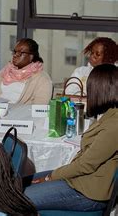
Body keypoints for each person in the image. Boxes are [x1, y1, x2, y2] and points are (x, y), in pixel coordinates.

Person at [24, 64, 118, 212]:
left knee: (16, 198)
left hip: (88, 192)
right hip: (80, 180)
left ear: (100, 90)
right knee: (21, 183)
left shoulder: (114, 124)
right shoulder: (109, 115)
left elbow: (86, 165)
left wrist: (50, 177)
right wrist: (54, 175)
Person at [0, 38, 52, 105]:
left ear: (31, 56)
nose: (15, 55)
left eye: (21, 53)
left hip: (22, 114)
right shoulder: (5, 71)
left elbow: (40, 106)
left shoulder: (42, 78)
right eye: (15, 52)